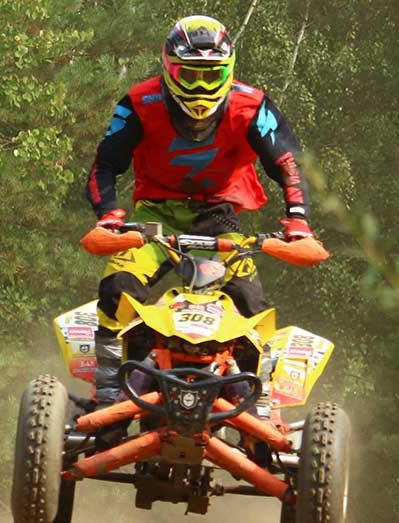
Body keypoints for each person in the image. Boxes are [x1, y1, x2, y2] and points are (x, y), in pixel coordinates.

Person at [85, 15, 316, 415]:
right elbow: (105, 164)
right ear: (168, 69)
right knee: (118, 285)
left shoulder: (252, 105)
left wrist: (298, 220)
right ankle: (108, 392)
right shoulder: (140, 102)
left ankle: (258, 404)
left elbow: (289, 163)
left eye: (211, 76)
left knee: (249, 302)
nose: (200, 87)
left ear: (228, 70)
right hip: (154, 219)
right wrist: (109, 215)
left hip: (220, 217)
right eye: (189, 75)